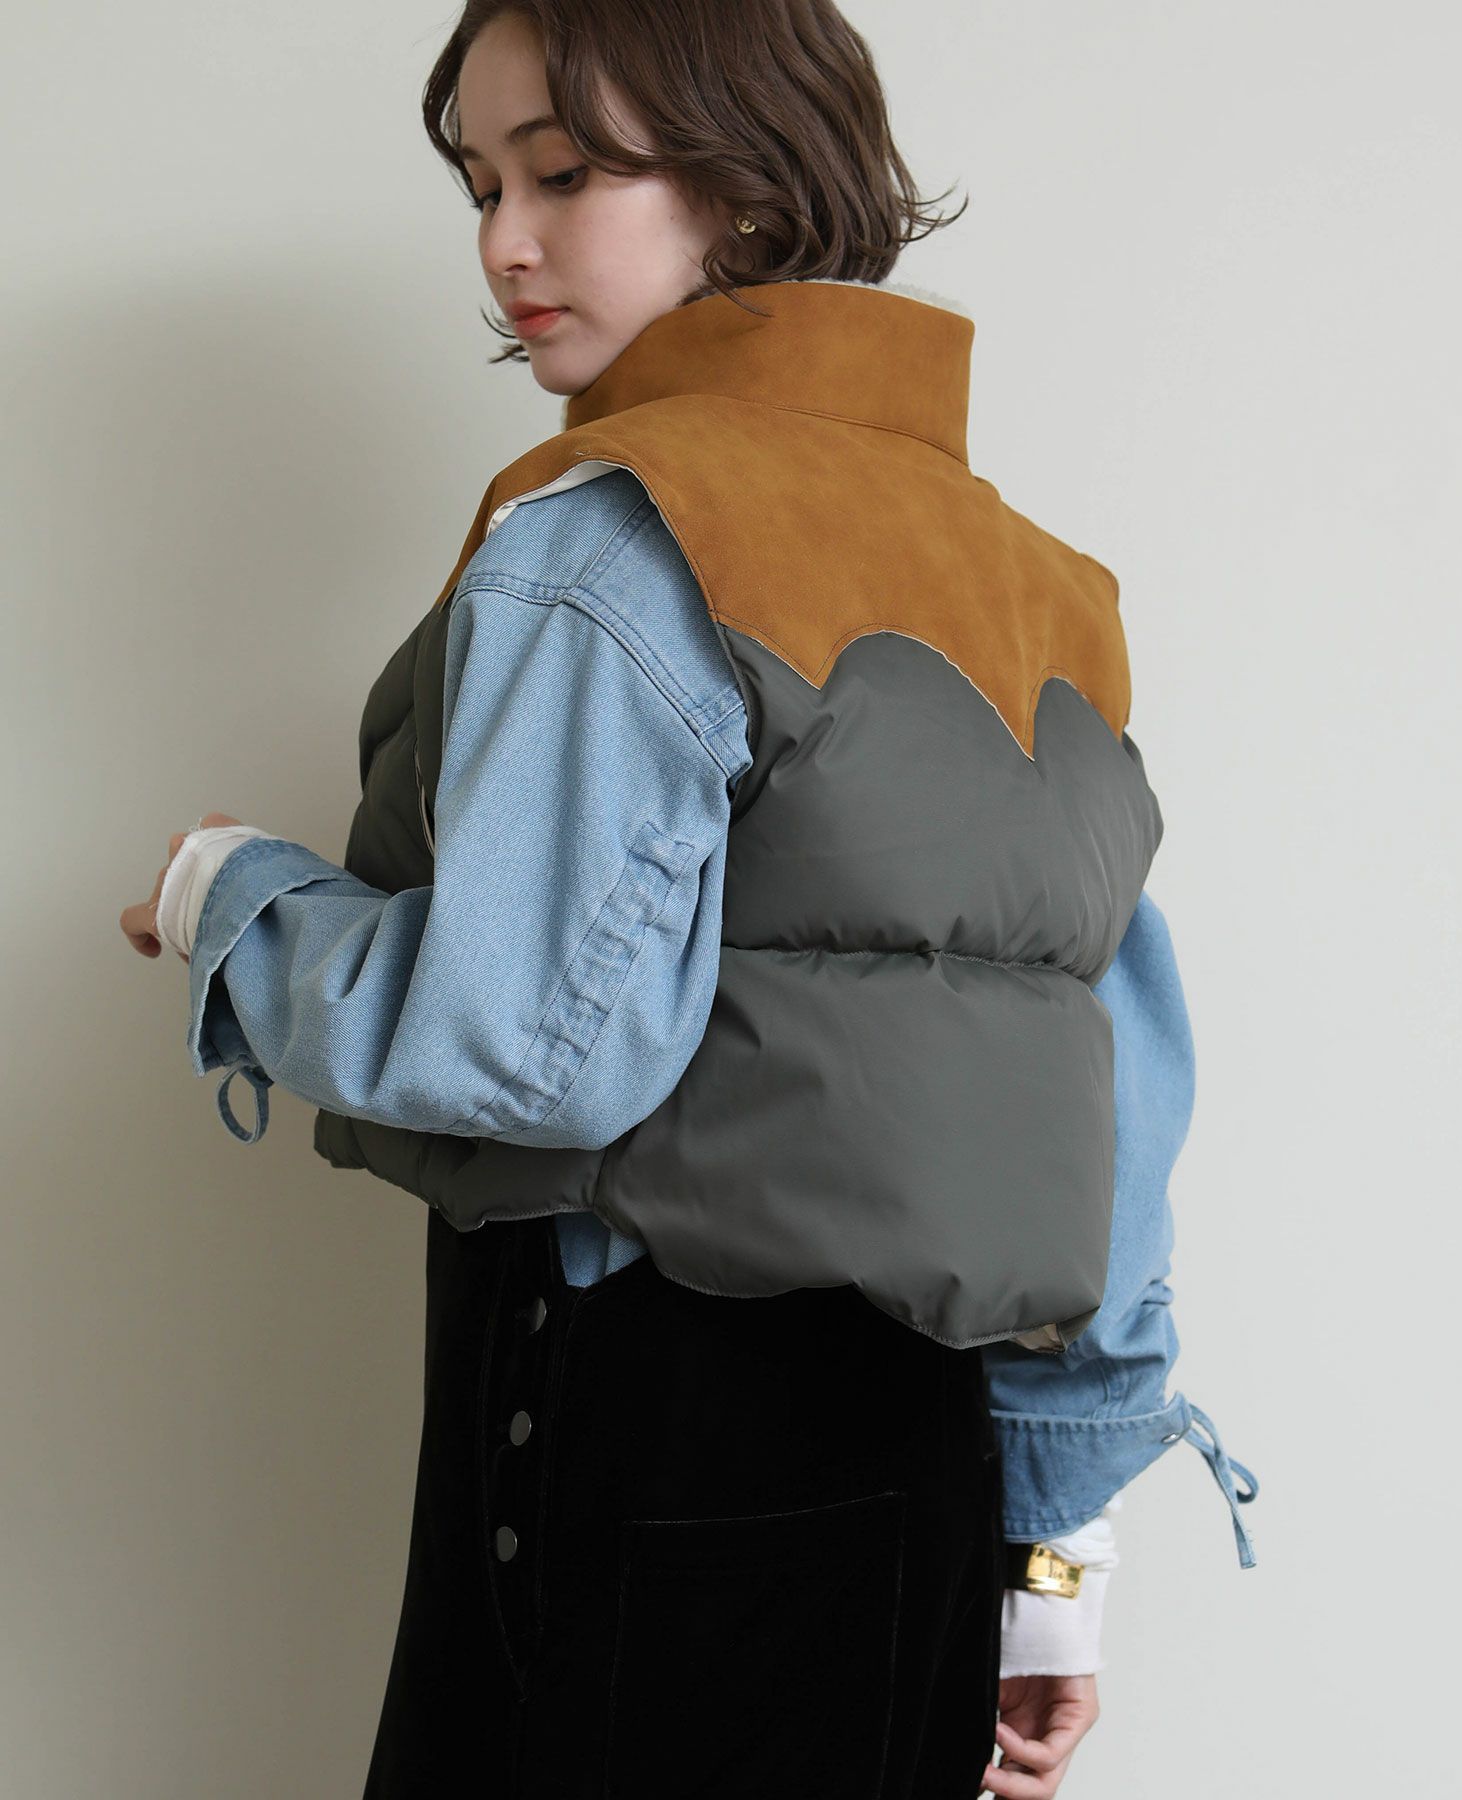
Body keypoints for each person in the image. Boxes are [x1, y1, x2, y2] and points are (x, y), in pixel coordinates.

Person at [119, 4, 1258, 1795]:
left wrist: (228, 901)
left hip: (641, 1434)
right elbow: (1102, 1119)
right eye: (482, 185)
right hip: (926, 1477)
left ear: (749, 180)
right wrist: (1051, 1569)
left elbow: (522, 1049)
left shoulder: (615, 533)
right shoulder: (1040, 585)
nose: (505, 243)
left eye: (566, 174)